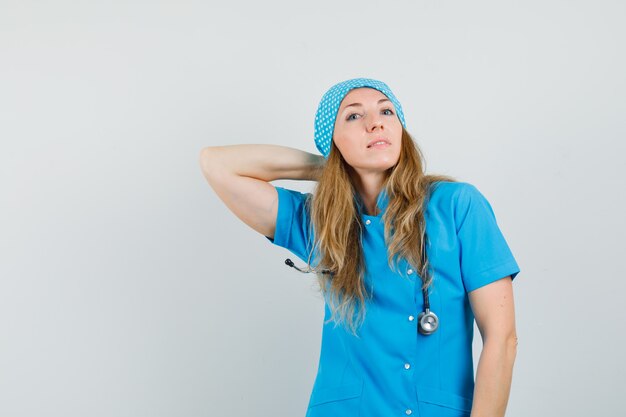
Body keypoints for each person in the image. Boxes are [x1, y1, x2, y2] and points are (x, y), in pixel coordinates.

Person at [199, 77, 521, 417]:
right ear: (333, 141)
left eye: (387, 111)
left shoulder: (456, 206)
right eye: (354, 116)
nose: (376, 122)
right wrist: (335, 166)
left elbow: (502, 339)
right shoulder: (321, 223)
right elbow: (216, 164)